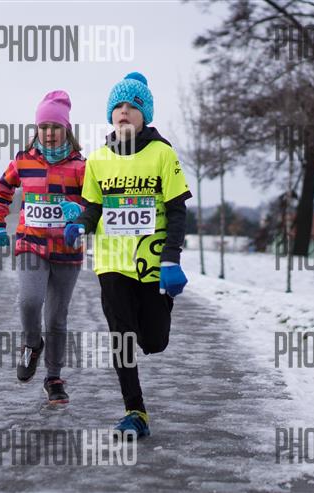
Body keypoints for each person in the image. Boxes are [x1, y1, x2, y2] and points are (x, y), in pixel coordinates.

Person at [63, 72, 191, 438]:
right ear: (110, 115)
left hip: (151, 262)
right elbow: (93, 207)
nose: (124, 111)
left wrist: (171, 259)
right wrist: (80, 226)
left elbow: (177, 211)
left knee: (153, 341)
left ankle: (160, 309)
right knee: (120, 335)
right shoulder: (98, 159)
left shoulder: (162, 154)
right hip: (111, 263)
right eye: (118, 106)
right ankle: (135, 411)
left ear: (144, 115)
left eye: (132, 106)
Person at [0, 90, 86, 405]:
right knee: (30, 301)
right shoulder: (23, 161)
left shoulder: (81, 166)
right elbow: (1, 190)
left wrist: (79, 211)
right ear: (37, 129)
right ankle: (32, 344)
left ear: (66, 129)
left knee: (56, 317)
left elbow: (94, 202)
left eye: (56, 127)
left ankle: (53, 377)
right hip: (31, 244)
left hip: (67, 250)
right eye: (44, 126)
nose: (49, 132)